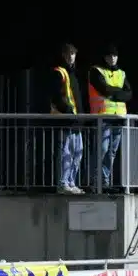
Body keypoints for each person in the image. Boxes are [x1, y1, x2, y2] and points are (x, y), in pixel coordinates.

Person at [87, 45, 131, 190]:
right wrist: (118, 93)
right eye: (109, 56)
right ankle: (95, 181)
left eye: (114, 56)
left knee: (111, 151)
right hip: (103, 117)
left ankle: (104, 181)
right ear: (105, 57)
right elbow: (104, 89)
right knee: (102, 149)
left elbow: (129, 94)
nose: (112, 58)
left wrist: (114, 93)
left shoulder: (121, 73)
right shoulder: (96, 71)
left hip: (118, 118)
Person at [49, 43, 85, 195]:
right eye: (68, 53)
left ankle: (71, 182)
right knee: (66, 153)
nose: (71, 56)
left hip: (76, 121)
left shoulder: (73, 74)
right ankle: (63, 183)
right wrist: (68, 111)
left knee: (77, 153)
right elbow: (57, 96)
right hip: (66, 119)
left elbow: (77, 99)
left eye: (73, 53)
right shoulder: (59, 72)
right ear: (63, 55)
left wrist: (81, 116)